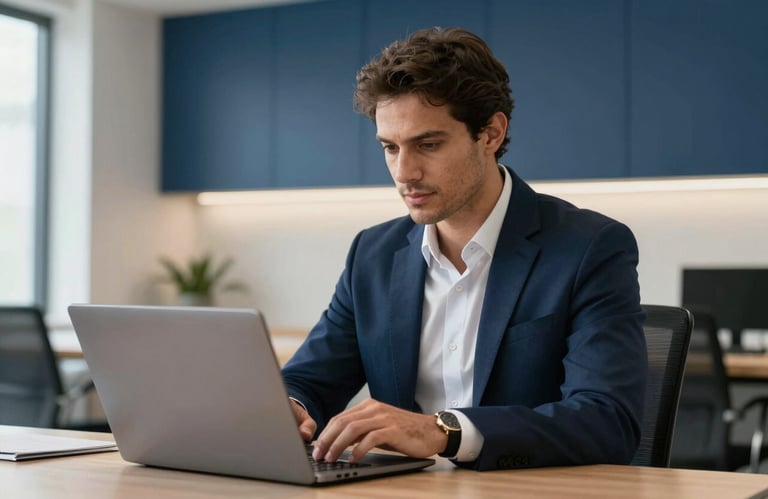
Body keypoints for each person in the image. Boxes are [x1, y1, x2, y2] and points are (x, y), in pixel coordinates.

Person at [281, 26, 647, 471]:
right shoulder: (373, 253)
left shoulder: (589, 248)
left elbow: (607, 421)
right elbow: (308, 379)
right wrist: (291, 407)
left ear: (490, 133)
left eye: (428, 145)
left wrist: (444, 432)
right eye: (390, 148)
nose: (404, 172)